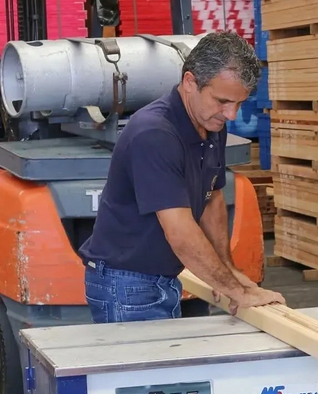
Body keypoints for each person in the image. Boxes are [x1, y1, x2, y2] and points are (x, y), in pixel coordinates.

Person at [79, 31, 285, 323]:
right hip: (126, 284)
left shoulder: (211, 124)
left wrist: (228, 270)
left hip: (162, 278)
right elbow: (181, 234)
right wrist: (237, 292)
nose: (231, 115)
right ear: (190, 82)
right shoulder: (154, 133)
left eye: (239, 103)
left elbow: (211, 198)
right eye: (223, 101)